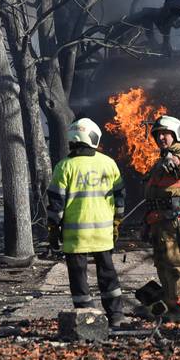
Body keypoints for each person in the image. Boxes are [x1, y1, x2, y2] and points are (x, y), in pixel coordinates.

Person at [47, 118, 127, 329]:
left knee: (78, 276)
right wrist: (117, 222)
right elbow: (119, 198)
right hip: (102, 234)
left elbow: (56, 205)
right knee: (108, 274)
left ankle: (86, 317)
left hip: (75, 237)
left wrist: (53, 230)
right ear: (93, 138)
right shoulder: (108, 163)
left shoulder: (64, 166)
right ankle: (116, 315)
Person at [143, 115, 180, 324]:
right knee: (163, 264)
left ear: (176, 134)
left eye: (165, 134)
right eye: (158, 135)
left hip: (176, 222)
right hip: (159, 221)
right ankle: (171, 304)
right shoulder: (160, 159)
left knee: (178, 264)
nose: (161, 138)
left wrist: (175, 160)